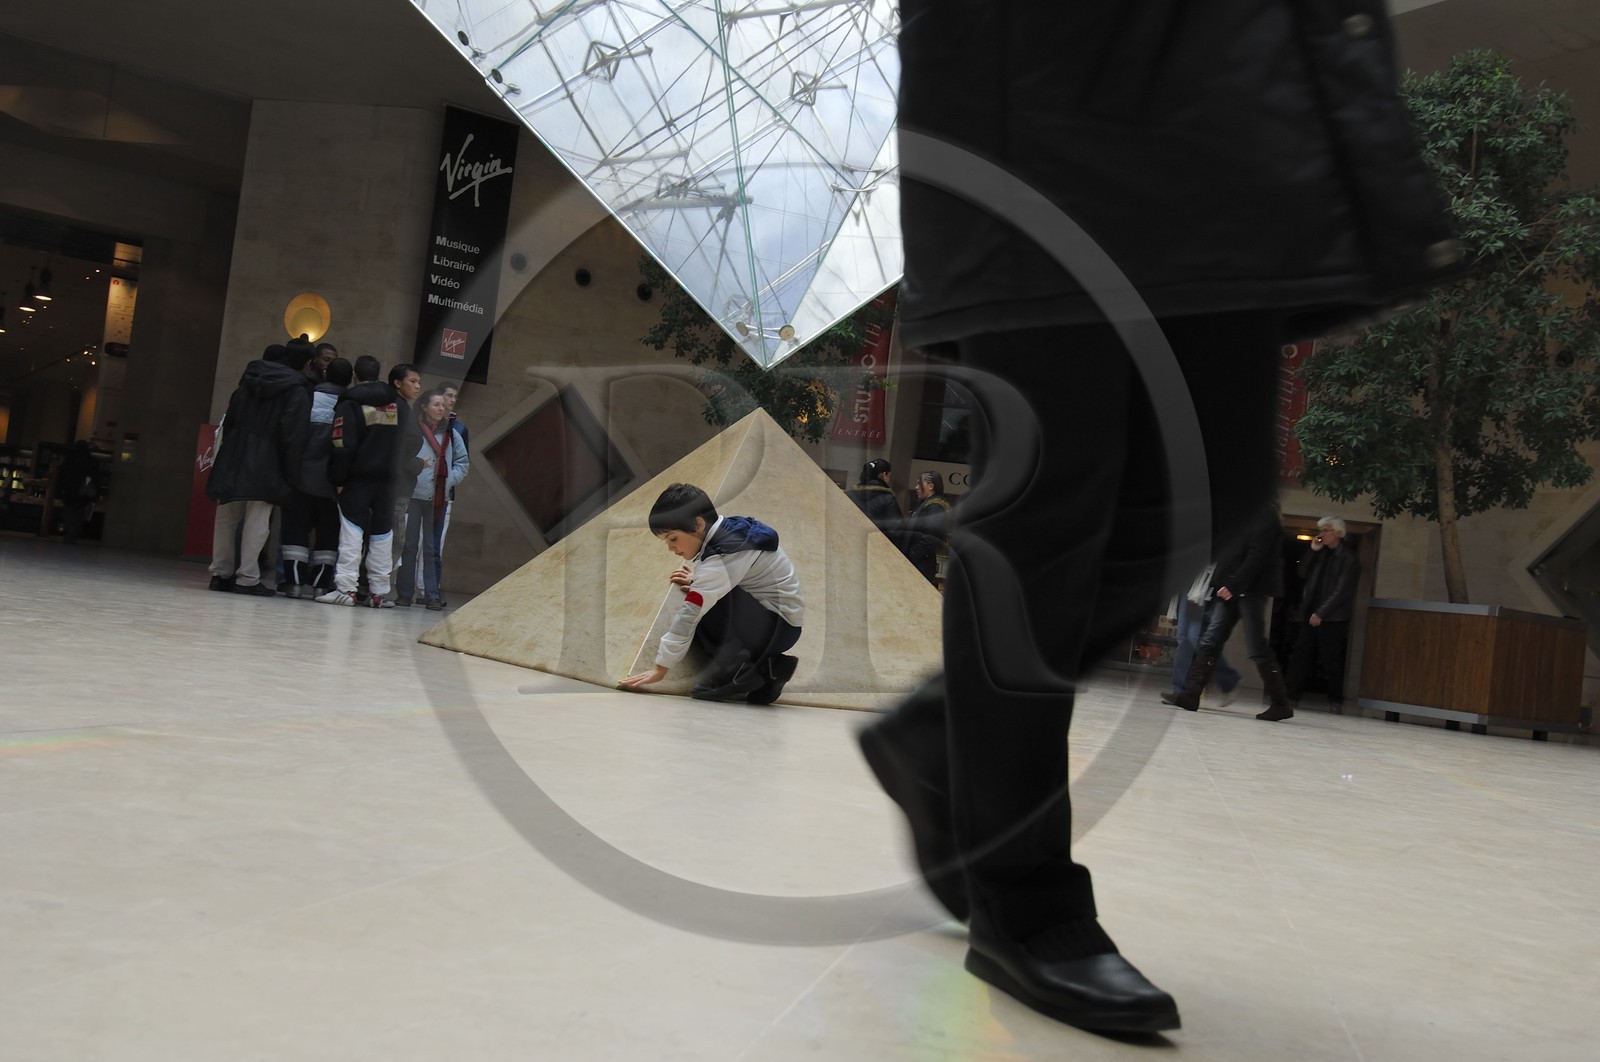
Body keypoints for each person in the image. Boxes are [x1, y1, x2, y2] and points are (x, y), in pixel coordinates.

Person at [857, 0, 1468, 1036]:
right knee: (1051, 503)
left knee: (1222, 487)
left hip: (1212, 135)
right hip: (1026, 110)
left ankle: (942, 732)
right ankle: (1023, 904)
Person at [619, 483, 803, 704]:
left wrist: (660, 668)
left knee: (699, 611)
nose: (670, 548)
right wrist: (699, 581)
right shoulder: (733, 531)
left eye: (673, 538)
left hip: (774, 626)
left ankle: (736, 670)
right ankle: (770, 671)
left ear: (698, 524)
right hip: (780, 625)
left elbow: (689, 614)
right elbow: (733, 574)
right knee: (706, 596)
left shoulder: (722, 557)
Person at [1161, 500, 1289, 719]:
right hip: (1231, 587)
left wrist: (1233, 584)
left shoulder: (1265, 515)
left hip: (1251, 591)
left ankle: (1281, 704)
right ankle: (1191, 695)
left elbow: (1256, 556)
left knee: (1256, 647)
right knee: (1210, 640)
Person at [206, 343, 313, 596]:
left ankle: (220, 574)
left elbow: (229, 420)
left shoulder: (247, 382)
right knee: (258, 519)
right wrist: (292, 472)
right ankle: (247, 577)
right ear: (306, 363)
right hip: (268, 459)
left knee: (226, 516)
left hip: (233, 453)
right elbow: (293, 435)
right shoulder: (295, 390)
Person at [318, 364, 408, 608]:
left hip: (357, 478)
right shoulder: (400, 406)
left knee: (352, 530)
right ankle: (379, 593)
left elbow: (341, 443)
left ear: (356, 376)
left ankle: (346, 590)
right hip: (389, 481)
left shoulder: (350, 404)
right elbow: (411, 442)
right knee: (382, 533)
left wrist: (338, 479)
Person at [281, 356, 351, 598]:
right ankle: (321, 584)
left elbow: (292, 437)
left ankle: (294, 583)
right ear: (351, 380)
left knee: (295, 531)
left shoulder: (307, 398)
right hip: (332, 486)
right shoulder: (351, 406)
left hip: (301, 478)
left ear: (324, 374)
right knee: (328, 535)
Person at [396, 390, 469, 609]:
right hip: (412, 494)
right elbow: (400, 458)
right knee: (408, 545)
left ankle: (432, 594)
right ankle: (404, 593)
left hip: (439, 497)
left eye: (442, 405)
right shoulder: (412, 431)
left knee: (431, 547)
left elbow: (462, 463)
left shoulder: (452, 432)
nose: (441, 408)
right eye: (436, 404)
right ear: (424, 407)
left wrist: (447, 481)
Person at [1285, 516, 1360, 715]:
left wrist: (1322, 612)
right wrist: (1311, 551)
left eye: (1326, 530)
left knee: (1330, 659)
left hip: (1333, 616)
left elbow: (1343, 590)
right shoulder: (1320, 554)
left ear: (1338, 533)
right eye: (1320, 530)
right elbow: (1302, 573)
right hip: (1310, 613)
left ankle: (1335, 699)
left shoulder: (1348, 557)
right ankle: (1291, 696)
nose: (1321, 534)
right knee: (1300, 654)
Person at [1168, 570, 1241, 703]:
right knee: (1183, 638)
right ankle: (1179, 691)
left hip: (1203, 584)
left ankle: (1229, 679)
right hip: (1187, 581)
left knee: (1196, 638)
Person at [903, 471, 951, 584]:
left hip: (920, 565)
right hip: (918, 563)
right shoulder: (926, 506)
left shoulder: (935, 508)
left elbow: (929, 539)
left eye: (920, 484)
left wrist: (910, 557)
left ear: (930, 486)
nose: (916, 487)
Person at [54, 440, 101, 545]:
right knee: (78, 515)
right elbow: (96, 479)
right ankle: (73, 535)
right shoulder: (92, 461)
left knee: (68, 513)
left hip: (69, 492)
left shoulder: (70, 460)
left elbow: (62, 477)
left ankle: (68, 533)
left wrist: (58, 491)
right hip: (83, 493)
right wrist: (95, 496)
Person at [846, 459, 904, 541]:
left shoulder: (849, 495)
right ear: (884, 475)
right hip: (873, 547)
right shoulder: (887, 499)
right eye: (889, 476)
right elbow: (897, 532)